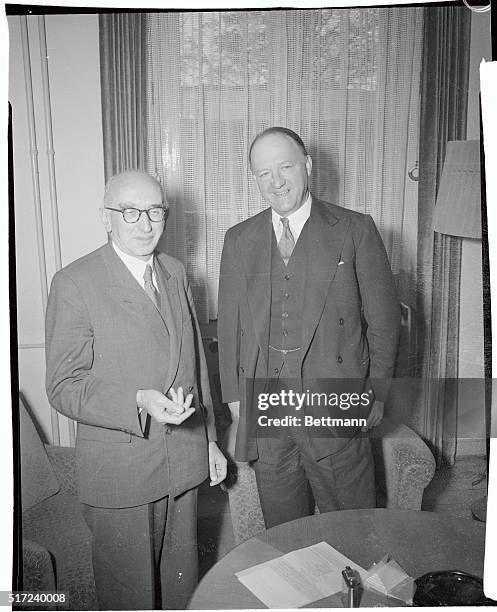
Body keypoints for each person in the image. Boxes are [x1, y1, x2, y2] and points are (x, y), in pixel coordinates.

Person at [45, 170, 227, 610]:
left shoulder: (176, 271)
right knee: (129, 598)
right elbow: (63, 386)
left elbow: (195, 364)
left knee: (182, 587)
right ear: (106, 218)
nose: (145, 224)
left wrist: (210, 441)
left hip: (183, 459)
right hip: (120, 473)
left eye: (154, 211)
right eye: (129, 212)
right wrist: (137, 400)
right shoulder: (74, 283)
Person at [218, 127, 400, 528]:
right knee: (283, 531)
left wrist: (376, 395)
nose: (276, 181)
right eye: (264, 173)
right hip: (268, 409)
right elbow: (230, 327)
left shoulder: (354, 230)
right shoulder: (238, 239)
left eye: (285, 167)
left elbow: (385, 323)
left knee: (352, 527)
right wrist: (234, 401)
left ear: (308, 166)